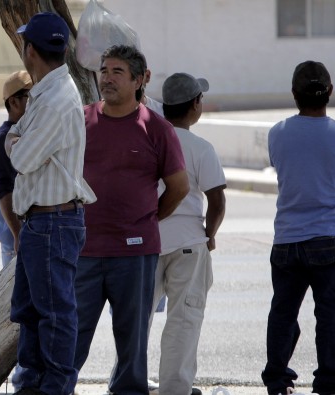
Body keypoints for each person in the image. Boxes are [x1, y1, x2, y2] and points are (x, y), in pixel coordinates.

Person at [75, 44, 189, 395]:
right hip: (84, 251)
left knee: (132, 342)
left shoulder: (156, 128)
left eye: (117, 72)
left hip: (135, 254)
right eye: (104, 71)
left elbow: (179, 186)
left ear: (140, 80)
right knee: (71, 335)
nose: (106, 78)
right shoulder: (81, 120)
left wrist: (149, 218)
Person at [261, 61, 335, 395]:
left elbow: (285, 171)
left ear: (294, 93)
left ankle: (278, 382)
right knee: (331, 317)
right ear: (330, 92)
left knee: (282, 313)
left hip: (286, 240)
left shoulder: (277, 132)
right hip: (331, 239)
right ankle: (330, 384)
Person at [6, 12, 96, 395]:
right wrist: (17, 137)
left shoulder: (54, 100)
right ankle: (32, 385)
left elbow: (20, 157)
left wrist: (17, 138)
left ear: (30, 52)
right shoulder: (48, 93)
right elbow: (15, 139)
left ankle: (55, 389)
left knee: (54, 315)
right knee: (29, 314)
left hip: (53, 222)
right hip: (42, 222)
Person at [151, 72, 227, 395]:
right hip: (188, 244)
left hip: (148, 241)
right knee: (184, 319)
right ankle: (174, 389)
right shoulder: (200, 147)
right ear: (195, 105)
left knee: (138, 319)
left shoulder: (149, 139)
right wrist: (210, 234)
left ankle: (127, 381)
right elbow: (217, 199)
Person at [0, 70, 32, 268]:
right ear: (14, 102)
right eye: (30, 96)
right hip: (17, 242)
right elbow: (4, 191)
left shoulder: (29, 133)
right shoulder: (2, 141)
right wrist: (18, 233)